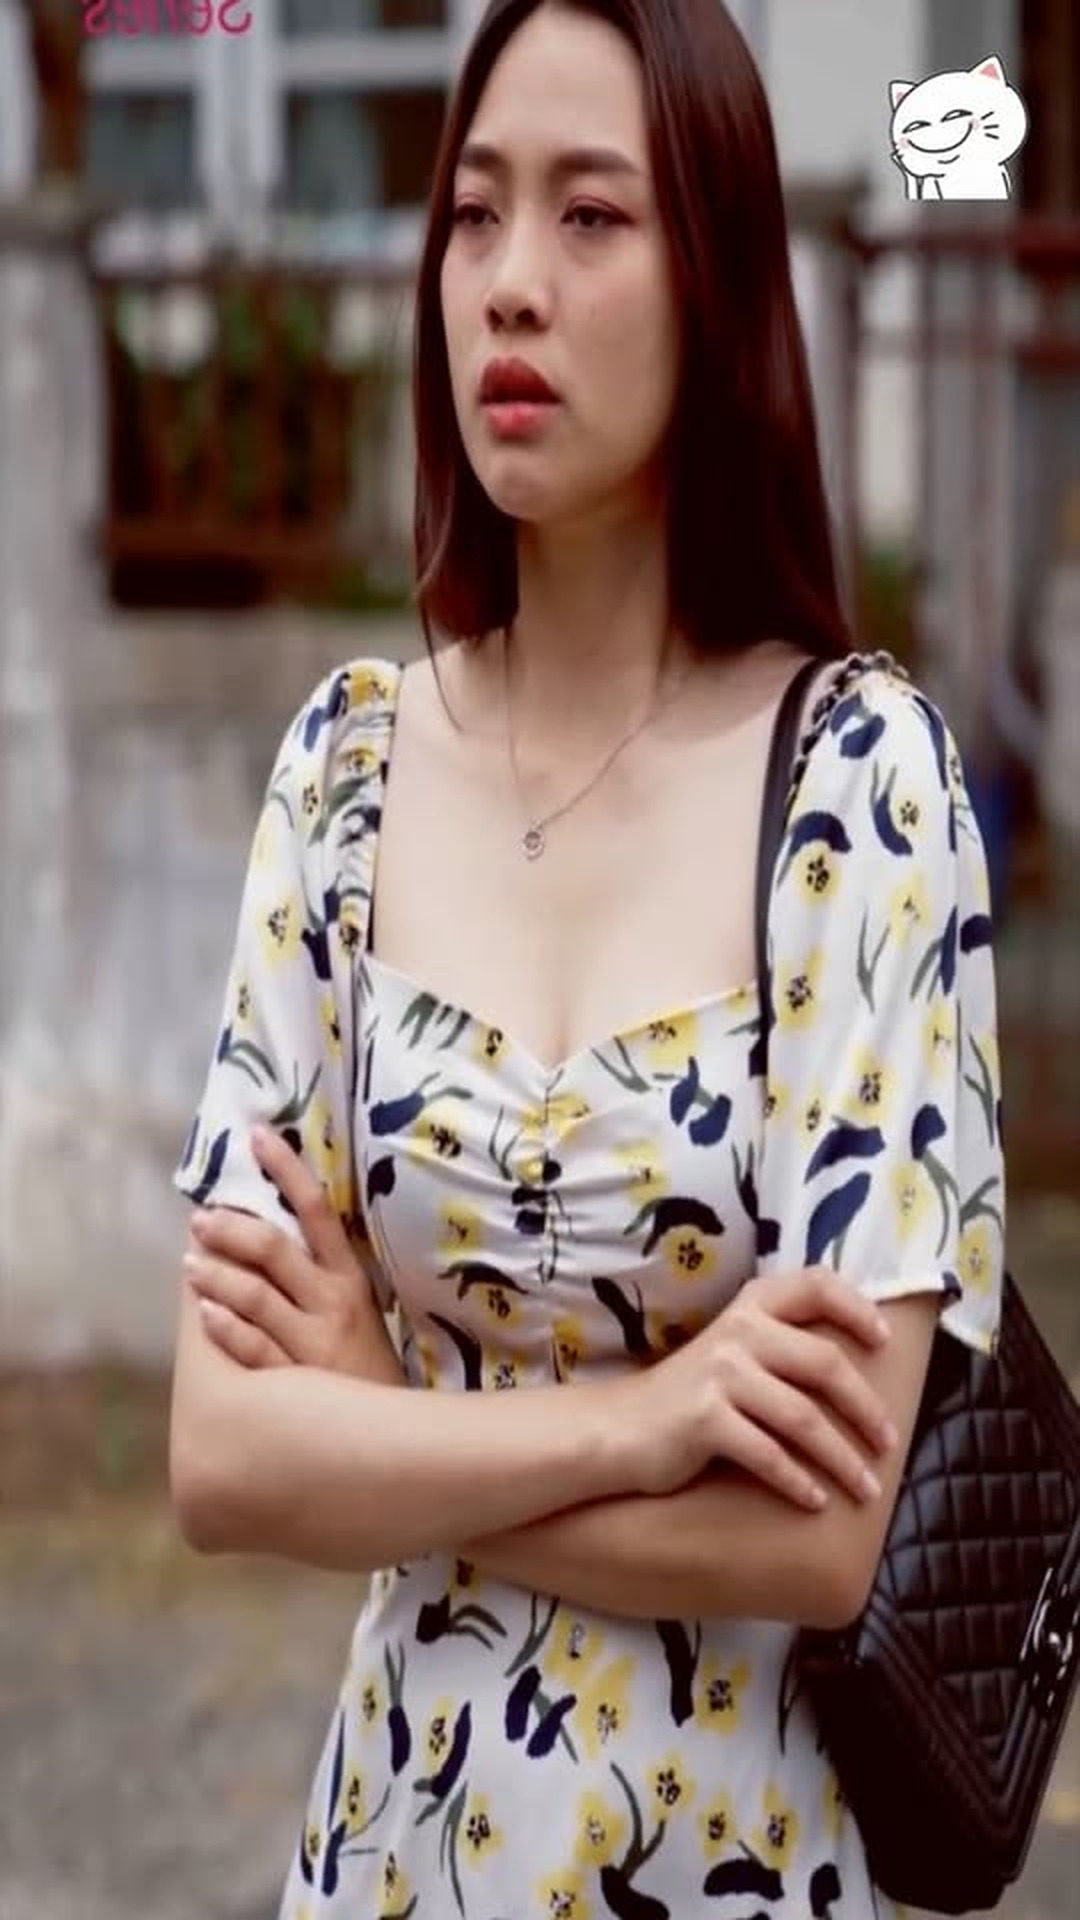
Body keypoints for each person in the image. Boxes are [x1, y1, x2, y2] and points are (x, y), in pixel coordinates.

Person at [169, 3, 1005, 1916]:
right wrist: (645, 1421)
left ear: (720, 281)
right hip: (391, 1856)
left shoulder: (860, 787)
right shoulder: (347, 776)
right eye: (473, 213)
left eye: (593, 215)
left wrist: (397, 1428)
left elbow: (823, 1536)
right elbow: (224, 1458)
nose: (511, 285)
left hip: (738, 1864)